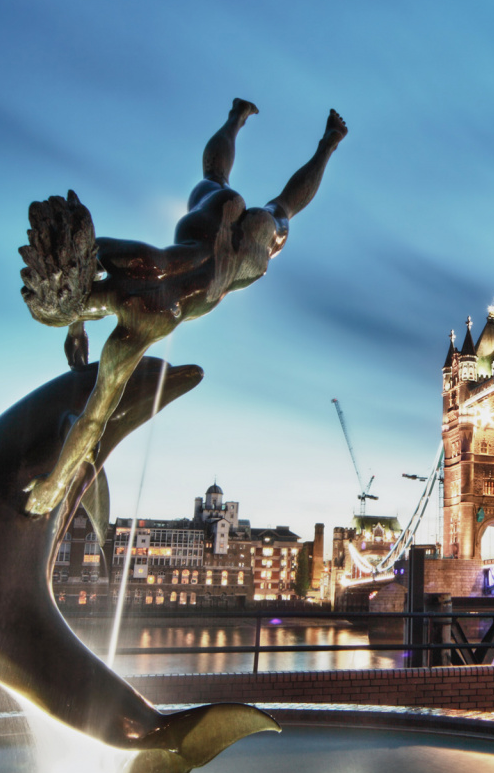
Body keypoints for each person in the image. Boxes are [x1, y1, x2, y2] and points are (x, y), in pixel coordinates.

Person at [19, 98, 346, 515]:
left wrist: (54, 485)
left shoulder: (143, 324)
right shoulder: (117, 256)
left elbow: (93, 419)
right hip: (206, 225)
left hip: (232, 265)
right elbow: (80, 267)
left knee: (280, 211)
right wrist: (74, 325)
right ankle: (244, 119)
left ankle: (326, 144)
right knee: (221, 181)